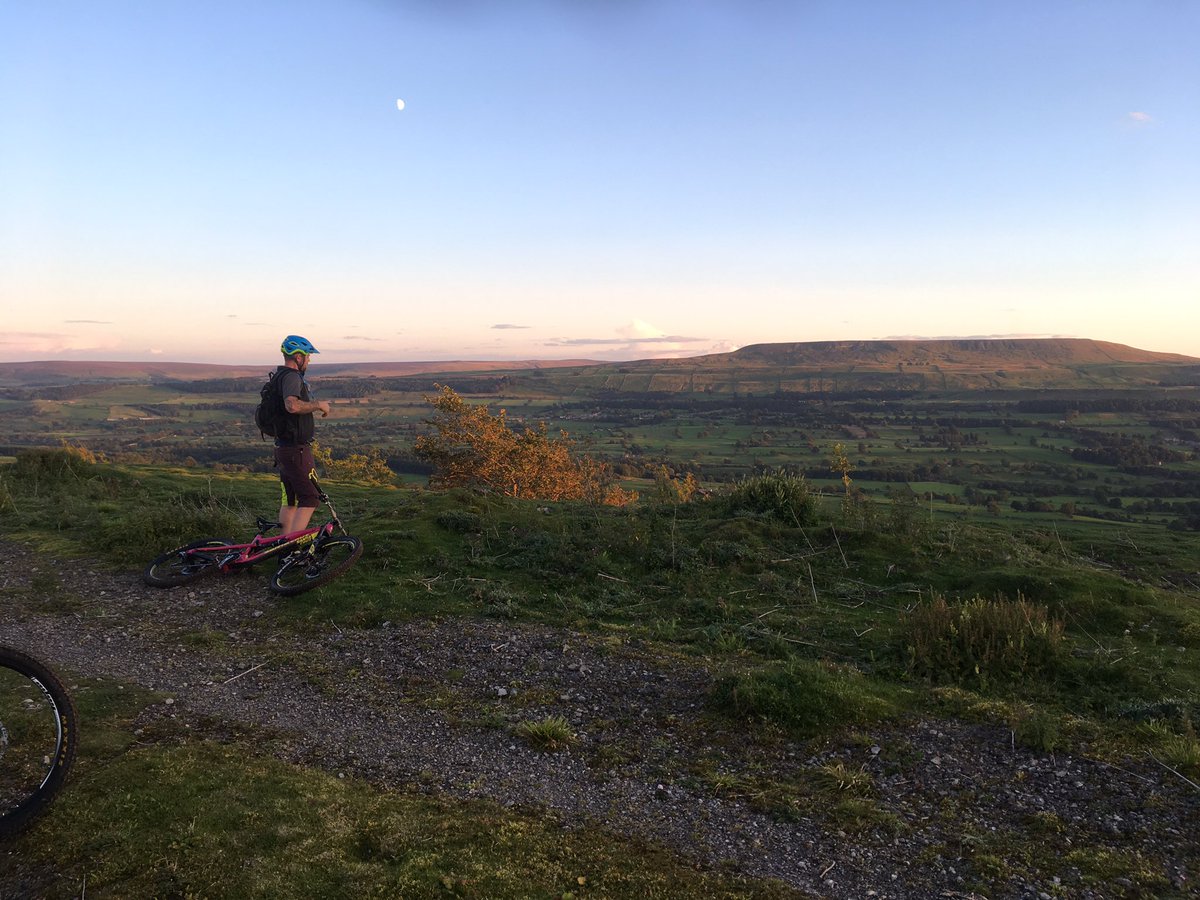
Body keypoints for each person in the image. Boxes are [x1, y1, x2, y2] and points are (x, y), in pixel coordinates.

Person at [273, 335, 331, 534]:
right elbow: (292, 405)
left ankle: (282, 547)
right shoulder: (291, 377)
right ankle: (292, 546)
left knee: (289, 500)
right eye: (307, 356)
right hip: (296, 450)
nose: (309, 360)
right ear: (298, 357)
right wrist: (318, 405)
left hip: (283, 448)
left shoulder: (279, 376)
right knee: (310, 498)